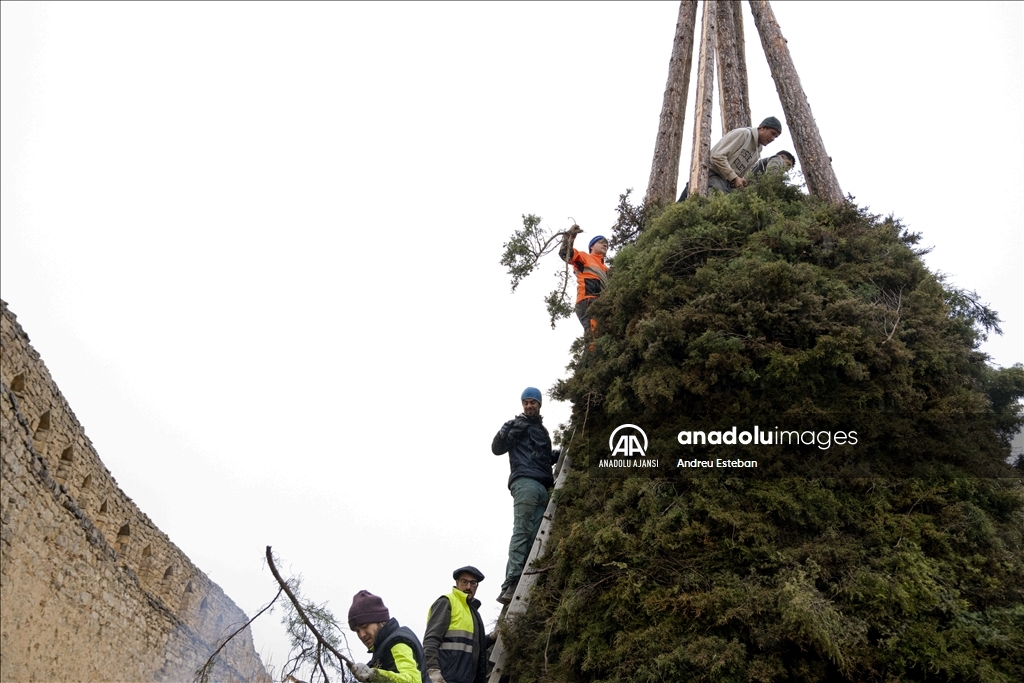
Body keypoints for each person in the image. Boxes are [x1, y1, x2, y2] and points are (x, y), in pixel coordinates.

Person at [491, 387, 557, 604]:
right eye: (526, 402)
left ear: (539, 405)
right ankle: (511, 583)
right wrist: (503, 433)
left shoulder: (543, 432)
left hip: (543, 485)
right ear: (523, 405)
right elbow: (497, 448)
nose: (529, 406)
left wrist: (562, 453)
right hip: (525, 482)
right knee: (522, 530)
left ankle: (525, 579)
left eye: (533, 402)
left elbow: (545, 458)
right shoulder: (516, 424)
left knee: (536, 534)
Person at [422, 566, 489, 683]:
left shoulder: (473, 612)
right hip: (446, 679)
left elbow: (473, 646)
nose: (469, 587)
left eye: (473, 583)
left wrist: (492, 637)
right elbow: (431, 640)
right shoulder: (447, 602)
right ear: (457, 582)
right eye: (464, 582)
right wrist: (433, 671)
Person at [347, 590, 430, 683]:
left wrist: (374, 675)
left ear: (381, 620)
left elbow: (413, 680)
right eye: (357, 631)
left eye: (365, 626)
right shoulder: (381, 650)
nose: (361, 635)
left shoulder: (398, 643)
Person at [707, 116, 783, 194]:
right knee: (717, 202)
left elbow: (739, 174)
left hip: (726, 182)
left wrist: (741, 181)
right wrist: (734, 177)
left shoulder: (758, 152)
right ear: (762, 128)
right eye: (772, 133)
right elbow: (717, 156)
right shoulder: (743, 134)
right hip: (713, 174)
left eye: (775, 137)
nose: (773, 138)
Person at [558, 226, 609, 332]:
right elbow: (565, 253)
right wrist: (569, 237)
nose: (605, 245)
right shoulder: (584, 257)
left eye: (607, 244)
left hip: (601, 302)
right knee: (593, 333)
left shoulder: (605, 268)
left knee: (602, 334)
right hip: (588, 300)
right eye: (601, 242)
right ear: (592, 247)